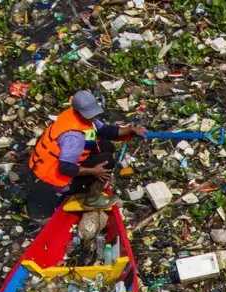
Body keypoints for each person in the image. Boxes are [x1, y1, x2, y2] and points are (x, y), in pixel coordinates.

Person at [25, 89, 146, 219]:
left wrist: (130, 130)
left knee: (106, 146)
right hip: (59, 180)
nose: (93, 117)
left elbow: (105, 131)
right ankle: (92, 200)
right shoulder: (74, 136)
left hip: (53, 165)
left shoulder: (76, 116)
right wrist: (94, 171)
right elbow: (65, 168)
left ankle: (91, 184)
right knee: (106, 161)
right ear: (78, 111)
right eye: (89, 115)